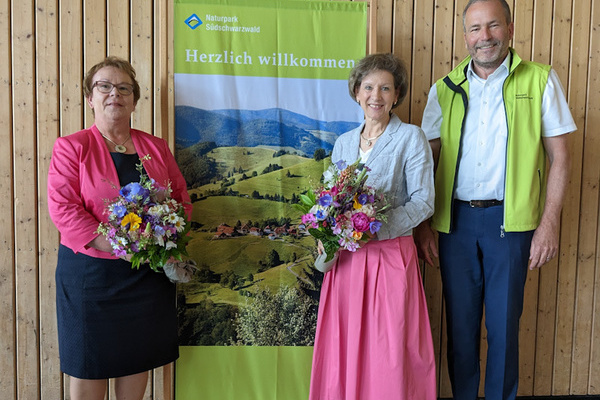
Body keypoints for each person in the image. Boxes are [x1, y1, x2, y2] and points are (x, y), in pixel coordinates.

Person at [414, 0, 576, 399]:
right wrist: (421, 226)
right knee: (461, 328)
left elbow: (561, 157)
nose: (483, 37)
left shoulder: (540, 80)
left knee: (504, 327)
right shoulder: (444, 88)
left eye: (492, 26)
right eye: (474, 29)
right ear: (465, 35)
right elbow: (425, 165)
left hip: (512, 224)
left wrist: (549, 223)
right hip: (454, 225)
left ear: (509, 27)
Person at [47, 56, 192, 400]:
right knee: (88, 363)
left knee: (135, 360)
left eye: (124, 87)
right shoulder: (72, 147)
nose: (115, 93)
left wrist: (165, 237)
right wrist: (119, 246)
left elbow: (180, 199)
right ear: (90, 97)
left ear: (134, 99)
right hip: (90, 276)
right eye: (105, 86)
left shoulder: (155, 147)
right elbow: (64, 209)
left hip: (145, 276)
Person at [309, 53, 437, 400]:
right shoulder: (344, 143)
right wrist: (329, 232)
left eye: (385, 88)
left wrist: (371, 229)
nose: (375, 95)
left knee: (388, 350)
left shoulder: (411, 138)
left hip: (390, 258)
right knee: (346, 345)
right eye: (368, 87)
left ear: (397, 95)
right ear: (356, 92)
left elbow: (424, 201)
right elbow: (329, 199)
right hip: (347, 263)